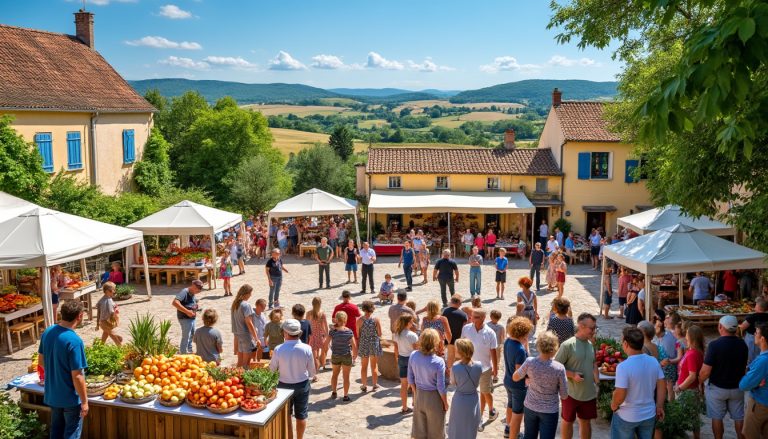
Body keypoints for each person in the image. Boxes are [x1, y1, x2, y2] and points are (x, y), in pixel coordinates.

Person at [38, 299, 88, 439]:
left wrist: (56, 373)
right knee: (71, 433)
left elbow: (41, 362)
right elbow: (77, 376)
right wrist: (84, 402)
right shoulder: (74, 341)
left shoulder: (48, 332)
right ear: (79, 316)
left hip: (53, 395)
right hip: (70, 398)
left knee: (56, 431)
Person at [610, 327, 666, 439]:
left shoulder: (623, 367)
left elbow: (621, 393)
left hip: (627, 416)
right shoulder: (654, 361)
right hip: (648, 414)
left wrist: (614, 405)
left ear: (625, 343)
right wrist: (659, 406)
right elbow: (661, 386)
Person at [699, 315, 748, 439]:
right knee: (739, 418)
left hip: (717, 388)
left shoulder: (714, 345)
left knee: (717, 418)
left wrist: (699, 382)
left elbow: (705, 371)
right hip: (737, 387)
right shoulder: (743, 344)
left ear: (720, 327)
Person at [512, 331, 568, 439]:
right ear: (555, 347)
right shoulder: (559, 368)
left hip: (530, 407)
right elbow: (564, 395)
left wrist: (528, 376)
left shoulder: (530, 362)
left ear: (538, 345)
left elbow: (515, 377)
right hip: (550, 410)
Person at [270, 319, 315, 439]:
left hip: (284, 386)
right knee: (301, 416)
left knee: (287, 416)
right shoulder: (306, 348)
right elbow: (312, 372)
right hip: (302, 385)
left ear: (285, 332)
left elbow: (272, 370)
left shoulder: (279, 349)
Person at [556, 313, 599, 439]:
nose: (594, 331)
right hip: (570, 393)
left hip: (588, 393)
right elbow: (555, 367)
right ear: (581, 326)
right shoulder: (568, 345)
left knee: (586, 422)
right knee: (568, 421)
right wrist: (572, 374)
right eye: (592, 328)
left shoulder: (591, 345)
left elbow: (593, 364)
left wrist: (598, 383)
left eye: (595, 328)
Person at [462, 308, 499, 430]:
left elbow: (493, 352)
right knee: (470, 393)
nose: (472, 318)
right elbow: (462, 346)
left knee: (484, 393)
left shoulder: (490, 333)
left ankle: (481, 416)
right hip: (469, 367)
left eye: (476, 317)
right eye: (472, 316)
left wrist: (495, 370)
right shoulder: (466, 328)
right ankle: (489, 411)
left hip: (485, 368)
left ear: (483, 318)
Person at [408, 328, 449, 439]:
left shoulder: (413, 355)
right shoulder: (438, 361)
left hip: (419, 395)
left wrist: (415, 395)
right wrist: (445, 403)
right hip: (434, 397)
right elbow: (440, 386)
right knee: (436, 432)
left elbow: (410, 379)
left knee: (420, 432)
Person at [674, 324, 705, 439]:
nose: (685, 337)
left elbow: (692, 376)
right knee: (694, 418)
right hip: (690, 389)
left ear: (691, 337)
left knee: (683, 418)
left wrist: (680, 387)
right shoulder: (695, 351)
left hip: (687, 391)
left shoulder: (692, 354)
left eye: (687, 335)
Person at [447, 338, 482, 439]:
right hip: (473, 399)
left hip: (460, 399)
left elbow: (453, 383)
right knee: (470, 426)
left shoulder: (455, 367)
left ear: (460, 352)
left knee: (457, 426)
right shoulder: (479, 365)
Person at [504, 317, 533, 439]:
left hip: (507, 381)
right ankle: (514, 435)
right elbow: (519, 372)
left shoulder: (507, 341)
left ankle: (507, 429)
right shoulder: (520, 350)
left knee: (510, 405)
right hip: (518, 386)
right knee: (518, 413)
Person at [739, 322, 768, 438]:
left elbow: (743, 385)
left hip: (760, 404)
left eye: (756, 333)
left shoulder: (763, 361)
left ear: (763, 338)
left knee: (749, 435)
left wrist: (753, 381)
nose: (754, 335)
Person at [323, 311, 357, 401]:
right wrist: (355, 355)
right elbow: (354, 345)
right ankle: (345, 395)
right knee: (346, 377)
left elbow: (326, 343)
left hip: (336, 355)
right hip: (346, 355)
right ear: (346, 320)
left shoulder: (333, 331)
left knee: (335, 374)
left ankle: (334, 392)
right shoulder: (349, 332)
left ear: (336, 320)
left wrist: (328, 350)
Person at [393, 314, 419, 414]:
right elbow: (416, 350)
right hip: (411, 359)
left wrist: (397, 359)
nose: (413, 323)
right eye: (411, 321)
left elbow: (396, 349)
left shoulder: (396, 334)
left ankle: (404, 407)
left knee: (403, 385)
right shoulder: (412, 335)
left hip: (401, 358)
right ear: (407, 323)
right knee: (414, 384)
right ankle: (415, 403)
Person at [231, 284, 260, 367]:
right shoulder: (246, 305)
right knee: (246, 364)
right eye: (250, 293)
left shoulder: (235, 304)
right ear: (247, 293)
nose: (251, 295)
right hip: (246, 335)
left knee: (239, 362)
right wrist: (256, 338)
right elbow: (249, 323)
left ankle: (236, 378)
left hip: (238, 334)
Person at [357, 301, 383, 392]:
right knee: (374, 366)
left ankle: (364, 385)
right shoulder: (376, 319)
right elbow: (380, 333)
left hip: (364, 343)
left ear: (363, 309)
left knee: (364, 366)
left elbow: (358, 334)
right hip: (374, 343)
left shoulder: (360, 320)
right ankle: (375, 385)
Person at [172, 279, 202, 354]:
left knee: (192, 334)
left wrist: (195, 305)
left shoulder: (192, 292)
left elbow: (190, 302)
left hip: (191, 318)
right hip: (185, 318)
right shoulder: (184, 292)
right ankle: (183, 353)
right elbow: (175, 302)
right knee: (186, 336)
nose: (198, 291)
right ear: (193, 286)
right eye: (198, 290)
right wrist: (187, 311)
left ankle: (189, 350)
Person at [654, 309, 678, 401]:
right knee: (664, 386)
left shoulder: (668, 338)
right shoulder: (660, 337)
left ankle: (671, 405)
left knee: (669, 387)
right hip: (662, 365)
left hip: (669, 366)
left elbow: (671, 355)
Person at [443, 294, 468, 376]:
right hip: (459, 339)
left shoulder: (445, 311)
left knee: (450, 356)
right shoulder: (463, 314)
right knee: (459, 357)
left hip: (448, 338)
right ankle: (458, 374)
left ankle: (450, 373)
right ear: (459, 303)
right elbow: (465, 328)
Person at [738, 297, 768, 365]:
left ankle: (752, 369)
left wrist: (738, 325)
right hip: (766, 338)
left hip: (753, 338)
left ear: (758, 306)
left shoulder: (753, 316)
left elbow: (743, 327)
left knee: (752, 357)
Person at [95, 282, 122, 346]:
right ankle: (120, 347)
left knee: (106, 333)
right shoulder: (107, 301)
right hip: (106, 322)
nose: (114, 292)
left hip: (103, 322)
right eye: (113, 290)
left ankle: (101, 345)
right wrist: (116, 316)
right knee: (113, 336)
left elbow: (98, 312)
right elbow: (111, 312)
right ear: (107, 291)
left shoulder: (103, 299)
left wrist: (97, 323)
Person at [307, 297, 328, 375]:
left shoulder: (309, 313)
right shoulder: (322, 314)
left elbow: (307, 324)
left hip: (312, 335)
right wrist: (327, 337)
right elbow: (326, 327)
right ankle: (321, 364)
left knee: (314, 355)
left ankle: (315, 371)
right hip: (321, 335)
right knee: (320, 352)